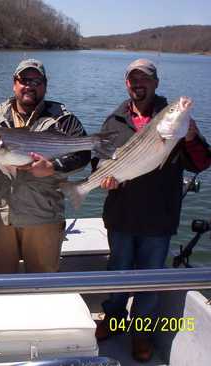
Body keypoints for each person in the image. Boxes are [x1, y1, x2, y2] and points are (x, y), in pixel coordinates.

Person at [94, 58, 211, 362]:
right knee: (117, 274)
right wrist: (103, 176)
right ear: (126, 84)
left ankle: (141, 333)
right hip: (121, 216)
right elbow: (99, 159)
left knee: (150, 281)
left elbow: (201, 163)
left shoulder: (174, 123)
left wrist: (191, 137)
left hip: (158, 219)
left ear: (156, 83)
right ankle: (114, 319)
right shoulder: (114, 120)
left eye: (144, 79)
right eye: (133, 79)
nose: (138, 84)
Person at [0, 59, 90, 274]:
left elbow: (83, 155)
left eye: (36, 81)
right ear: (14, 84)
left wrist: (53, 166)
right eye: (24, 80)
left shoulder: (63, 119)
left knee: (42, 287)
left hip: (43, 216)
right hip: (3, 217)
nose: (30, 85)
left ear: (45, 85)